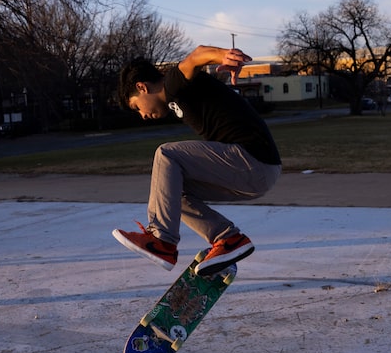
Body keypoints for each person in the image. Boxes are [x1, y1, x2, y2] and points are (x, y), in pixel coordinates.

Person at [113, 46, 281, 276]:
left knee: (166, 154)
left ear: (142, 87)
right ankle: (228, 239)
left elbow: (196, 57)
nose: (142, 115)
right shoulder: (178, 97)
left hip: (251, 159)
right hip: (255, 172)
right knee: (171, 191)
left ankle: (161, 240)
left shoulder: (171, 83)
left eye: (136, 106)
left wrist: (221, 54)